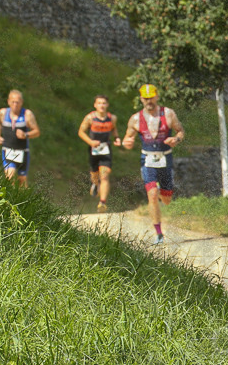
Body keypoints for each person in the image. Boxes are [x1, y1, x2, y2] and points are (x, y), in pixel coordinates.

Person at [121, 84, 185, 245]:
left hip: (165, 158)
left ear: (157, 96)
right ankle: (159, 233)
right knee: (152, 194)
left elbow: (180, 131)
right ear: (141, 99)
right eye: (145, 98)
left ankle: (164, 193)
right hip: (147, 160)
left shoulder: (168, 113)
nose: (148, 101)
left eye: (151, 97)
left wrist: (175, 139)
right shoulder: (135, 118)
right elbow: (127, 138)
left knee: (167, 198)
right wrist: (126, 143)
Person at [78, 95, 121, 212]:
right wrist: (90, 142)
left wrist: (117, 138)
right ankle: (95, 185)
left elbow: (114, 129)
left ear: (107, 105)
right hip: (93, 149)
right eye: (99, 103)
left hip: (106, 149)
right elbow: (81, 132)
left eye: (104, 103)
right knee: (94, 175)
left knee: (105, 175)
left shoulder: (112, 118)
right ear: (95, 105)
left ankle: (102, 203)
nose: (102, 105)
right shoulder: (90, 118)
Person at [0, 90, 40, 187]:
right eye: (13, 102)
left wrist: (25, 135)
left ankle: (23, 200)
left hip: (22, 152)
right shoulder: (3, 113)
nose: (15, 104)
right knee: (10, 177)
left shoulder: (27, 115)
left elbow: (37, 131)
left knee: (22, 181)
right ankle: (9, 199)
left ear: (22, 102)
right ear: (8, 101)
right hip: (8, 150)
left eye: (17, 102)